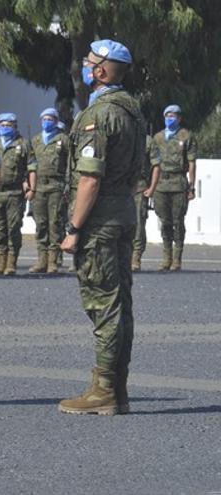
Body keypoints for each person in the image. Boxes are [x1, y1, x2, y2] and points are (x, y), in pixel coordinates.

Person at [59, 39, 144, 416]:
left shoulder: (99, 115)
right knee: (120, 303)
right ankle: (115, 387)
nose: (83, 66)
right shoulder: (133, 111)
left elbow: (89, 179)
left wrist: (74, 228)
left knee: (104, 305)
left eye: (88, 62)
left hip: (101, 220)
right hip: (124, 213)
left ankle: (105, 390)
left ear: (100, 71)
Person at [149, 105, 197, 271]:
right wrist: (152, 186)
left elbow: (191, 163)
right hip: (162, 184)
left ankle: (177, 258)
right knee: (164, 221)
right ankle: (166, 256)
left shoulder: (187, 136)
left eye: (174, 115)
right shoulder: (158, 138)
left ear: (179, 118)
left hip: (178, 184)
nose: (171, 118)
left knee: (178, 221)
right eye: (168, 115)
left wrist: (191, 186)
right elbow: (154, 164)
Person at [27, 109, 69, 274]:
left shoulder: (63, 139)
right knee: (41, 224)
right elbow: (31, 164)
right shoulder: (36, 140)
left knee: (55, 224)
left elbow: (70, 164)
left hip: (56, 186)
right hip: (39, 187)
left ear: (56, 120)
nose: (47, 121)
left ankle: (53, 262)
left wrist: (67, 185)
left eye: (50, 119)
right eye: (44, 119)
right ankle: (41, 260)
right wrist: (30, 185)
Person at [0, 113, 31, 276]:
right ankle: (0, 262)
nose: (5, 128)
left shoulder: (23, 144)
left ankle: (11, 263)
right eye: (2, 124)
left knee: (13, 228)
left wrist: (29, 185)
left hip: (15, 192)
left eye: (9, 125)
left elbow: (30, 167)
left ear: (15, 126)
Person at [132, 134, 160, 271]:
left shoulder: (148, 141)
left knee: (138, 222)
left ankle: (135, 256)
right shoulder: (120, 136)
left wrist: (152, 187)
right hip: (120, 186)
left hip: (139, 186)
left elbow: (156, 165)